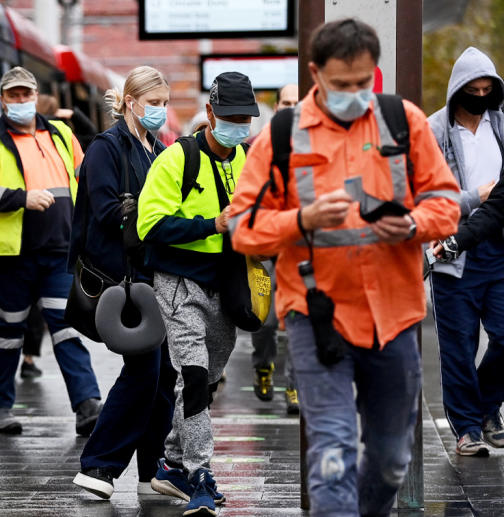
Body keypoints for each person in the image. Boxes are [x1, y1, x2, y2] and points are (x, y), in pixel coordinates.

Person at [229, 19, 460, 516]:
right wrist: (301, 219)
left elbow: (446, 204)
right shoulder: (282, 137)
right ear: (316, 74)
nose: (355, 94)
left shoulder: (404, 122)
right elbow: (242, 227)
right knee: (331, 456)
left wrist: (415, 223)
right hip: (318, 318)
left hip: (394, 318)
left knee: (392, 460)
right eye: (341, 85)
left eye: (364, 83)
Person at [136, 71, 259, 516]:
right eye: (229, 115)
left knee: (204, 383)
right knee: (191, 376)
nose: (237, 124)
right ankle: (201, 474)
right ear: (209, 113)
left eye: (245, 117)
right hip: (178, 284)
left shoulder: (247, 158)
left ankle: (169, 462)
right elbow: (148, 225)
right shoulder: (175, 160)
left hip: (226, 286)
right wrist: (212, 225)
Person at [0, 66, 101, 436]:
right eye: (13, 95)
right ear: (3, 99)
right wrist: (22, 199)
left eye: (25, 94)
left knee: (67, 327)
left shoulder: (61, 134)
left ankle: (87, 404)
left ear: (34, 95)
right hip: (12, 257)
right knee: (8, 332)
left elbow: (86, 176)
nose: (20, 101)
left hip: (59, 252)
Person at [69, 66, 177, 500]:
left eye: (165, 104)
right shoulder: (105, 147)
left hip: (154, 277)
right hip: (123, 278)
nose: (160, 112)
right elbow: (104, 210)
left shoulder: (158, 149)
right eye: (154, 103)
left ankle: (153, 467)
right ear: (130, 103)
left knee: (164, 373)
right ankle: (100, 464)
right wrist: (148, 216)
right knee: (144, 370)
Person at [426, 46, 504, 456]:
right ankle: (467, 429)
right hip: (451, 252)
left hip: (498, 250)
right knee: (457, 346)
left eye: (487, 88)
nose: (479, 96)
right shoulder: (433, 132)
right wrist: (477, 196)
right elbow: (426, 199)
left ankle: (487, 406)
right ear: (457, 90)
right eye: (471, 89)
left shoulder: (502, 127)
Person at [250, 83, 300, 415]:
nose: (291, 108)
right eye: (286, 103)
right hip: (263, 256)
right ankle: (263, 366)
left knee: (297, 320)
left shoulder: (316, 145)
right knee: (264, 321)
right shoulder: (260, 148)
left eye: (297, 103)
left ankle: (295, 385)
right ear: (277, 106)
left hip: (297, 254)